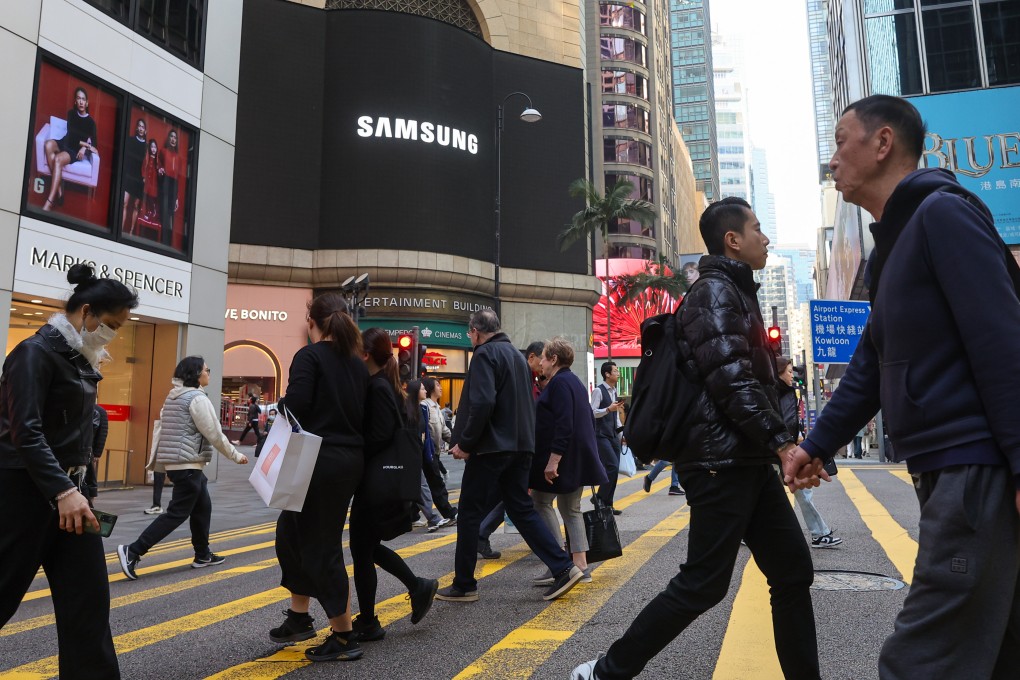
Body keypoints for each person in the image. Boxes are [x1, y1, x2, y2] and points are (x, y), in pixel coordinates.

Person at [783, 95, 1020, 679]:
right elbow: (871, 364)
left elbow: (1002, 342)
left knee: (919, 660)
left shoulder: (943, 216)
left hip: (973, 469)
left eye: (842, 142)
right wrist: (817, 444)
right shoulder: (894, 244)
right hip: (947, 469)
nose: (832, 160)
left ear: (883, 143)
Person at [572, 197, 818, 680]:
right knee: (704, 583)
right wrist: (782, 443)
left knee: (792, 572)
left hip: (745, 460)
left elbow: (751, 380)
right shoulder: (714, 293)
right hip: (719, 462)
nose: (765, 237)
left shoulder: (735, 292)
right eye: (757, 228)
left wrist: (780, 446)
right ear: (733, 240)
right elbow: (732, 379)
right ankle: (607, 672)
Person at [0, 263, 137, 680]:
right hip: (23, 493)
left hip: (73, 498)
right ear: (87, 312)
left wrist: (82, 491)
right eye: (112, 324)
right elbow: (26, 432)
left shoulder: (81, 358)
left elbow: (78, 437)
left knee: (88, 604)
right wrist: (63, 490)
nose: (113, 334)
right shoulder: (33, 353)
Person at [437, 310, 584, 603]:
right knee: (521, 508)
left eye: (469, 334)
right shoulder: (517, 357)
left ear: (475, 332)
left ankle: (464, 584)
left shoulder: (484, 354)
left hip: (491, 448)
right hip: (521, 447)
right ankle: (564, 567)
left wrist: (466, 442)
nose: (470, 338)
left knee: (469, 513)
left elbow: (482, 403)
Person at [267, 293, 368, 663]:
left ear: (313, 322)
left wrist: (280, 406)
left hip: (317, 461)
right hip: (345, 461)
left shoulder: (309, 356)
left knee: (320, 546)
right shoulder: (356, 363)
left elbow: (297, 405)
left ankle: (343, 636)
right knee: (290, 532)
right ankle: (299, 616)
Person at [117, 357, 248, 580]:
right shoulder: (197, 398)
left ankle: (202, 554)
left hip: (180, 464)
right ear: (196, 374)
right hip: (187, 465)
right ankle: (134, 550)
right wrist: (235, 455)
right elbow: (214, 433)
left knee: (202, 506)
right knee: (177, 513)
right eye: (206, 369)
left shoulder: (173, 396)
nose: (209, 373)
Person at [348, 328, 439, 643]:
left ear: (366, 354)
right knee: (365, 547)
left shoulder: (378, 387)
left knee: (362, 548)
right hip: (381, 480)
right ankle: (415, 588)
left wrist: (356, 447)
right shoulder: (383, 384)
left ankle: (371, 620)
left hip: (377, 481)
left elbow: (381, 434)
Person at [530, 338, 607, 584]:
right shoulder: (574, 382)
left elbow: (564, 424)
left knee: (541, 501)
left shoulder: (559, 383)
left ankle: (560, 562)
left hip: (563, 459)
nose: (541, 362)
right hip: (576, 457)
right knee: (570, 508)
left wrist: (553, 461)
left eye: (544, 358)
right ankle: (580, 565)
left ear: (554, 359)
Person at [776, 356, 841, 549]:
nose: (792, 376)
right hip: (779, 451)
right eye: (789, 372)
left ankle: (820, 533)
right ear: (778, 373)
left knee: (802, 492)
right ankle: (820, 534)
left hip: (785, 449)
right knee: (799, 492)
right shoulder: (775, 393)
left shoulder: (787, 393)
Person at [407, 380, 456, 531]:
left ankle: (412, 516)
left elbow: (442, 431)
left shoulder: (431, 407)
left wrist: (458, 443)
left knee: (422, 485)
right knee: (431, 484)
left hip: (429, 451)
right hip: (422, 452)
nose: (440, 388)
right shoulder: (423, 406)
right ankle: (443, 515)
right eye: (437, 385)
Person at [42, 86, 98, 212]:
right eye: (78, 98)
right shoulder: (71, 114)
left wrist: (84, 148)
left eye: (83, 99)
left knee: (57, 159)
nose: (81, 101)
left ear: (87, 102)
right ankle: (59, 189)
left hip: (73, 151)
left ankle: (50, 201)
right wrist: (85, 144)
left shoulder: (91, 122)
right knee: (48, 144)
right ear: (75, 101)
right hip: (65, 142)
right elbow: (72, 136)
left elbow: (95, 144)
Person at [590, 361, 624, 515]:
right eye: (615, 371)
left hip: (612, 435)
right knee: (611, 466)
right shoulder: (598, 390)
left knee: (615, 469)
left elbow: (615, 416)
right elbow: (592, 413)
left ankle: (608, 504)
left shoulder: (614, 391)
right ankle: (599, 497)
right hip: (601, 434)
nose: (618, 373)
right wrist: (608, 409)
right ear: (607, 374)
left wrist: (621, 435)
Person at [121, 118, 147, 235]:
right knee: (124, 203)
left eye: (143, 127)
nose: (141, 128)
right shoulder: (130, 140)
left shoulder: (146, 146)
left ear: (145, 130)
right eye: (139, 126)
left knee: (136, 206)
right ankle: (121, 230)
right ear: (137, 128)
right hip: (129, 175)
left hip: (139, 179)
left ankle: (131, 232)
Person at [158, 129, 181, 247]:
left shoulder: (178, 157)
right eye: (171, 136)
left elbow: (178, 178)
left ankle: (168, 245)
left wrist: (177, 198)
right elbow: (158, 165)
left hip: (173, 186)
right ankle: (163, 243)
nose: (173, 139)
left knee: (170, 215)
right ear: (168, 138)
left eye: (175, 137)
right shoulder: (163, 151)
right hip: (164, 183)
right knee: (164, 214)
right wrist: (160, 169)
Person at [142, 139, 160, 223]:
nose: (153, 149)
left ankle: (152, 210)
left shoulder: (158, 161)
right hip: (147, 183)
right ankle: (147, 212)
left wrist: (160, 170)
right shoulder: (147, 158)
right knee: (146, 198)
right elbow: (143, 167)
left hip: (154, 184)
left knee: (151, 198)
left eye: (155, 147)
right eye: (152, 147)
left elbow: (160, 169)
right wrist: (143, 176)